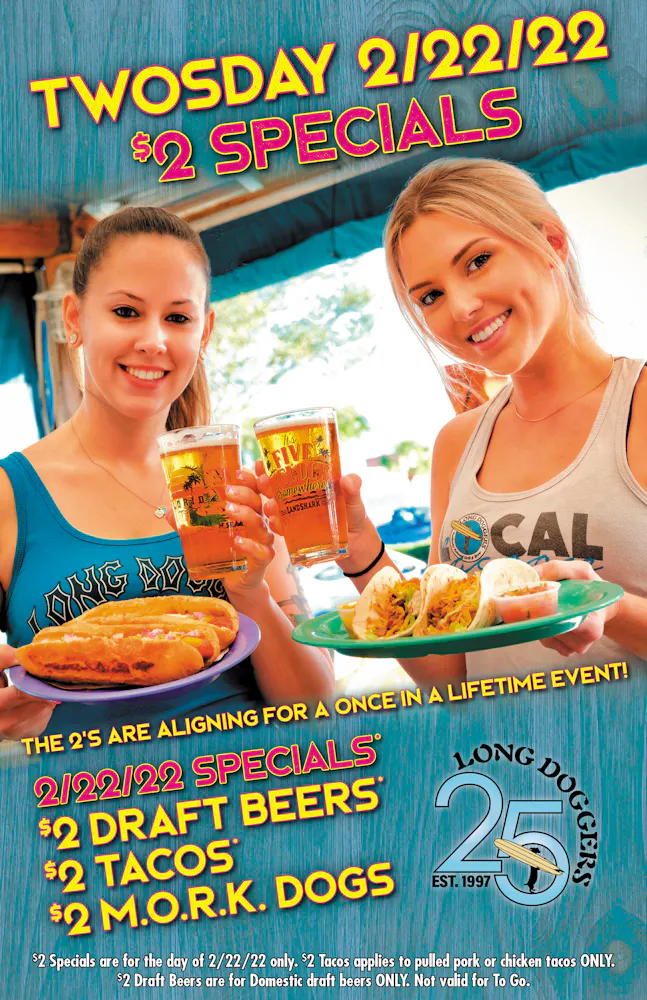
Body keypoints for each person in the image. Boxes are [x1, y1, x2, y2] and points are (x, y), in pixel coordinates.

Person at [262, 157, 647, 684]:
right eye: (430, 296)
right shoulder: (457, 444)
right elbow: (451, 669)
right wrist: (359, 548)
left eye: (477, 261)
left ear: (551, 243)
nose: (461, 307)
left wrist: (612, 610)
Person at [0, 207, 333, 739]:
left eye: (178, 318)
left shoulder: (236, 493)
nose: (154, 340)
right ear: (73, 319)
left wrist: (251, 596)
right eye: (127, 312)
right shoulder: (9, 496)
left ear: (205, 332)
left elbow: (315, 703)